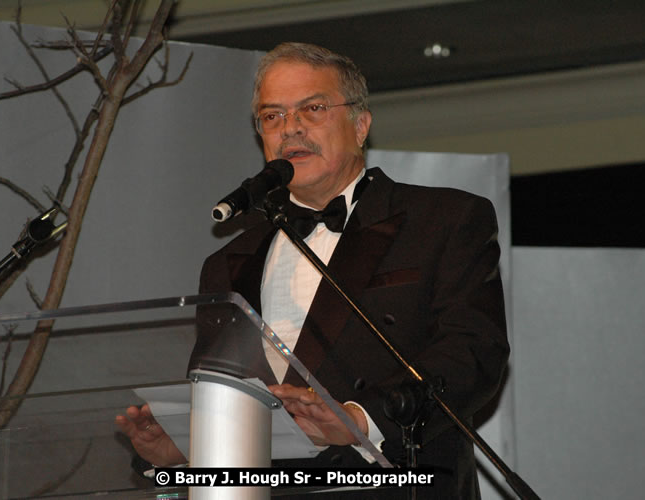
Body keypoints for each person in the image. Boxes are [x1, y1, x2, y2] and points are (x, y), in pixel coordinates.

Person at [117, 42, 509, 499]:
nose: (291, 129)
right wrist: (183, 449)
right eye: (272, 116)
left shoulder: (444, 219)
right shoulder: (226, 265)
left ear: (360, 125)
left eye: (313, 108)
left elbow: (472, 355)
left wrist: (359, 420)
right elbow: (224, 398)